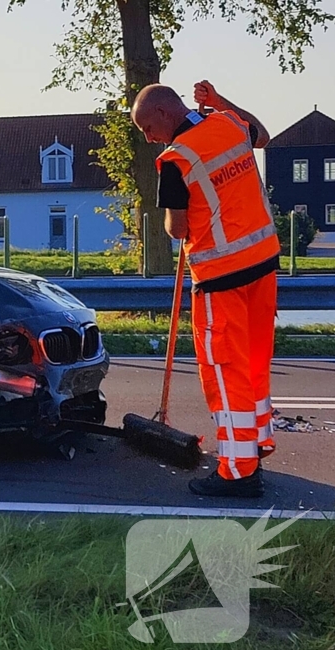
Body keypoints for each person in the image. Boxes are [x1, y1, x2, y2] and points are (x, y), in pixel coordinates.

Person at [131, 81, 279, 498]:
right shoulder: (230, 124)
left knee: (224, 369)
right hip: (263, 263)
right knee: (254, 360)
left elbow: (177, 227)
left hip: (221, 277)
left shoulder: (174, 160)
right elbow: (262, 135)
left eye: (147, 127)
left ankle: (237, 469)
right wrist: (218, 102)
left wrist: (176, 224)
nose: (148, 137)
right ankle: (258, 441)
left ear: (164, 113)